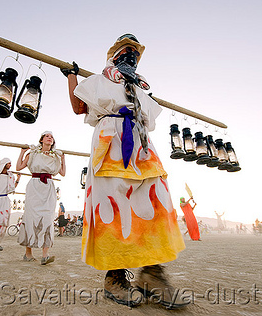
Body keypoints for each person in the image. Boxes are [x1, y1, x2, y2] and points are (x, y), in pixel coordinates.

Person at [62, 34, 187, 309]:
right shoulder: (98, 80)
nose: (131, 54)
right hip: (111, 140)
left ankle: (152, 274)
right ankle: (115, 278)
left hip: (142, 144)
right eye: (126, 49)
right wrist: (71, 76)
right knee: (114, 207)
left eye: (135, 52)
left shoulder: (141, 88)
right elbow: (78, 106)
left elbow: (149, 118)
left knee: (154, 204)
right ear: (114, 55)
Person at [16, 131, 66, 265]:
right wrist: (22, 152)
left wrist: (63, 159)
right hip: (34, 185)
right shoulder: (33, 153)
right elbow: (19, 167)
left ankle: (45, 255)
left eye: (52, 137)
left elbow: (63, 173)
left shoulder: (55, 156)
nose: (50, 138)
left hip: (48, 186)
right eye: (47, 136)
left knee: (48, 217)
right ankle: (28, 253)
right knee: (31, 216)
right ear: (42, 140)